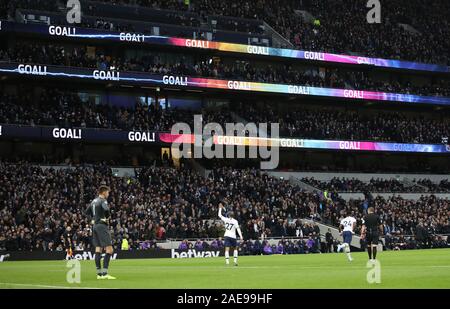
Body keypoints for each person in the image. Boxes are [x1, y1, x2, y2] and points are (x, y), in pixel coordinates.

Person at [85, 185, 116, 280]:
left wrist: (92, 220)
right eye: (107, 192)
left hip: (95, 226)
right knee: (110, 250)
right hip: (102, 226)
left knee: (98, 249)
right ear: (103, 192)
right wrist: (107, 217)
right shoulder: (103, 201)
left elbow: (86, 212)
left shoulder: (93, 201)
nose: (108, 194)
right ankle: (105, 273)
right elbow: (106, 209)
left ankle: (99, 274)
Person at [218, 202, 243, 266]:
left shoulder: (226, 219)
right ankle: (235, 262)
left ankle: (227, 263)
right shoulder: (235, 221)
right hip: (233, 236)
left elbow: (219, 215)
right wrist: (241, 236)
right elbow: (238, 229)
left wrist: (220, 208)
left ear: (228, 215)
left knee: (227, 249)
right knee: (235, 248)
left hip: (227, 235)